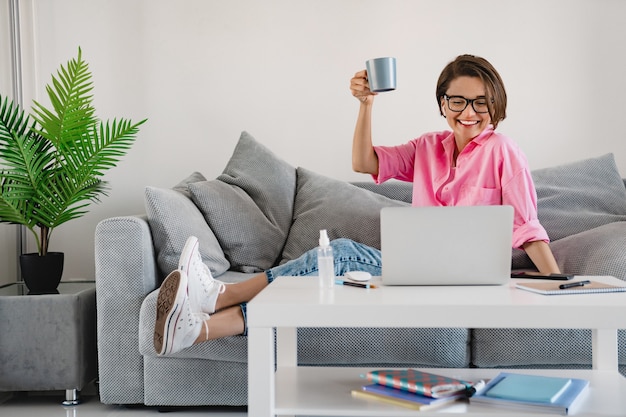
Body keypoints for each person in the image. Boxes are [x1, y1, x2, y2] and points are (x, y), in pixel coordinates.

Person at [153, 54, 560, 356]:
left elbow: (526, 226)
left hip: (471, 281)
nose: (468, 113)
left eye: (480, 103)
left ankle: (218, 294)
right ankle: (199, 329)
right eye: (458, 101)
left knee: (342, 255)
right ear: (442, 104)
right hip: (416, 272)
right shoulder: (427, 148)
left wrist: (558, 284)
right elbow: (365, 162)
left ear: (495, 106)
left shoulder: (504, 150)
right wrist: (366, 105)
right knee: (323, 277)